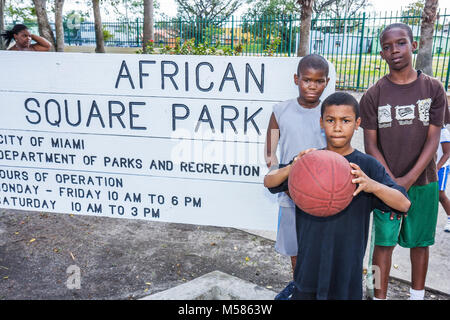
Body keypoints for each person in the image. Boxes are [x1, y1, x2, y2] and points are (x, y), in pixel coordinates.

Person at [264, 92, 410, 300]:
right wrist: (293, 167)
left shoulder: (367, 166)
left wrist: (372, 185)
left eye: (346, 120)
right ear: (321, 123)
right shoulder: (310, 162)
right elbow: (269, 181)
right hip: (308, 268)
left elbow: (404, 204)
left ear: (357, 123)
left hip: (346, 274)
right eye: (331, 120)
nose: (338, 127)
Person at [360, 23, 450, 300]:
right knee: (381, 246)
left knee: (420, 244)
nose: (394, 50)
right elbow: (371, 145)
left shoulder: (434, 88)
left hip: (423, 183)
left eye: (400, 43)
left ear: (413, 45)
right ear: (382, 54)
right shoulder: (373, 94)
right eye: (387, 47)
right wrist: (391, 184)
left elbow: (434, 141)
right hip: (383, 186)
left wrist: (407, 181)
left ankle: (417, 296)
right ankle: (378, 296)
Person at [264, 54, 331, 299]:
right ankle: (299, 287)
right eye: (306, 80)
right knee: (295, 247)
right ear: (296, 79)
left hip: (324, 192)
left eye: (319, 81)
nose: (312, 86)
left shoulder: (330, 112)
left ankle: (320, 291)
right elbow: (270, 150)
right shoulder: (281, 110)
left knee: (322, 246)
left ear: (327, 82)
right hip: (291, 192)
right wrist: (277, 177)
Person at [436, 127, 450, 232]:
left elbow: (447, 153)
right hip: (431, 167)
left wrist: (437, 168)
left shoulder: (443, 131)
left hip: (442, 167)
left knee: (440, 194)